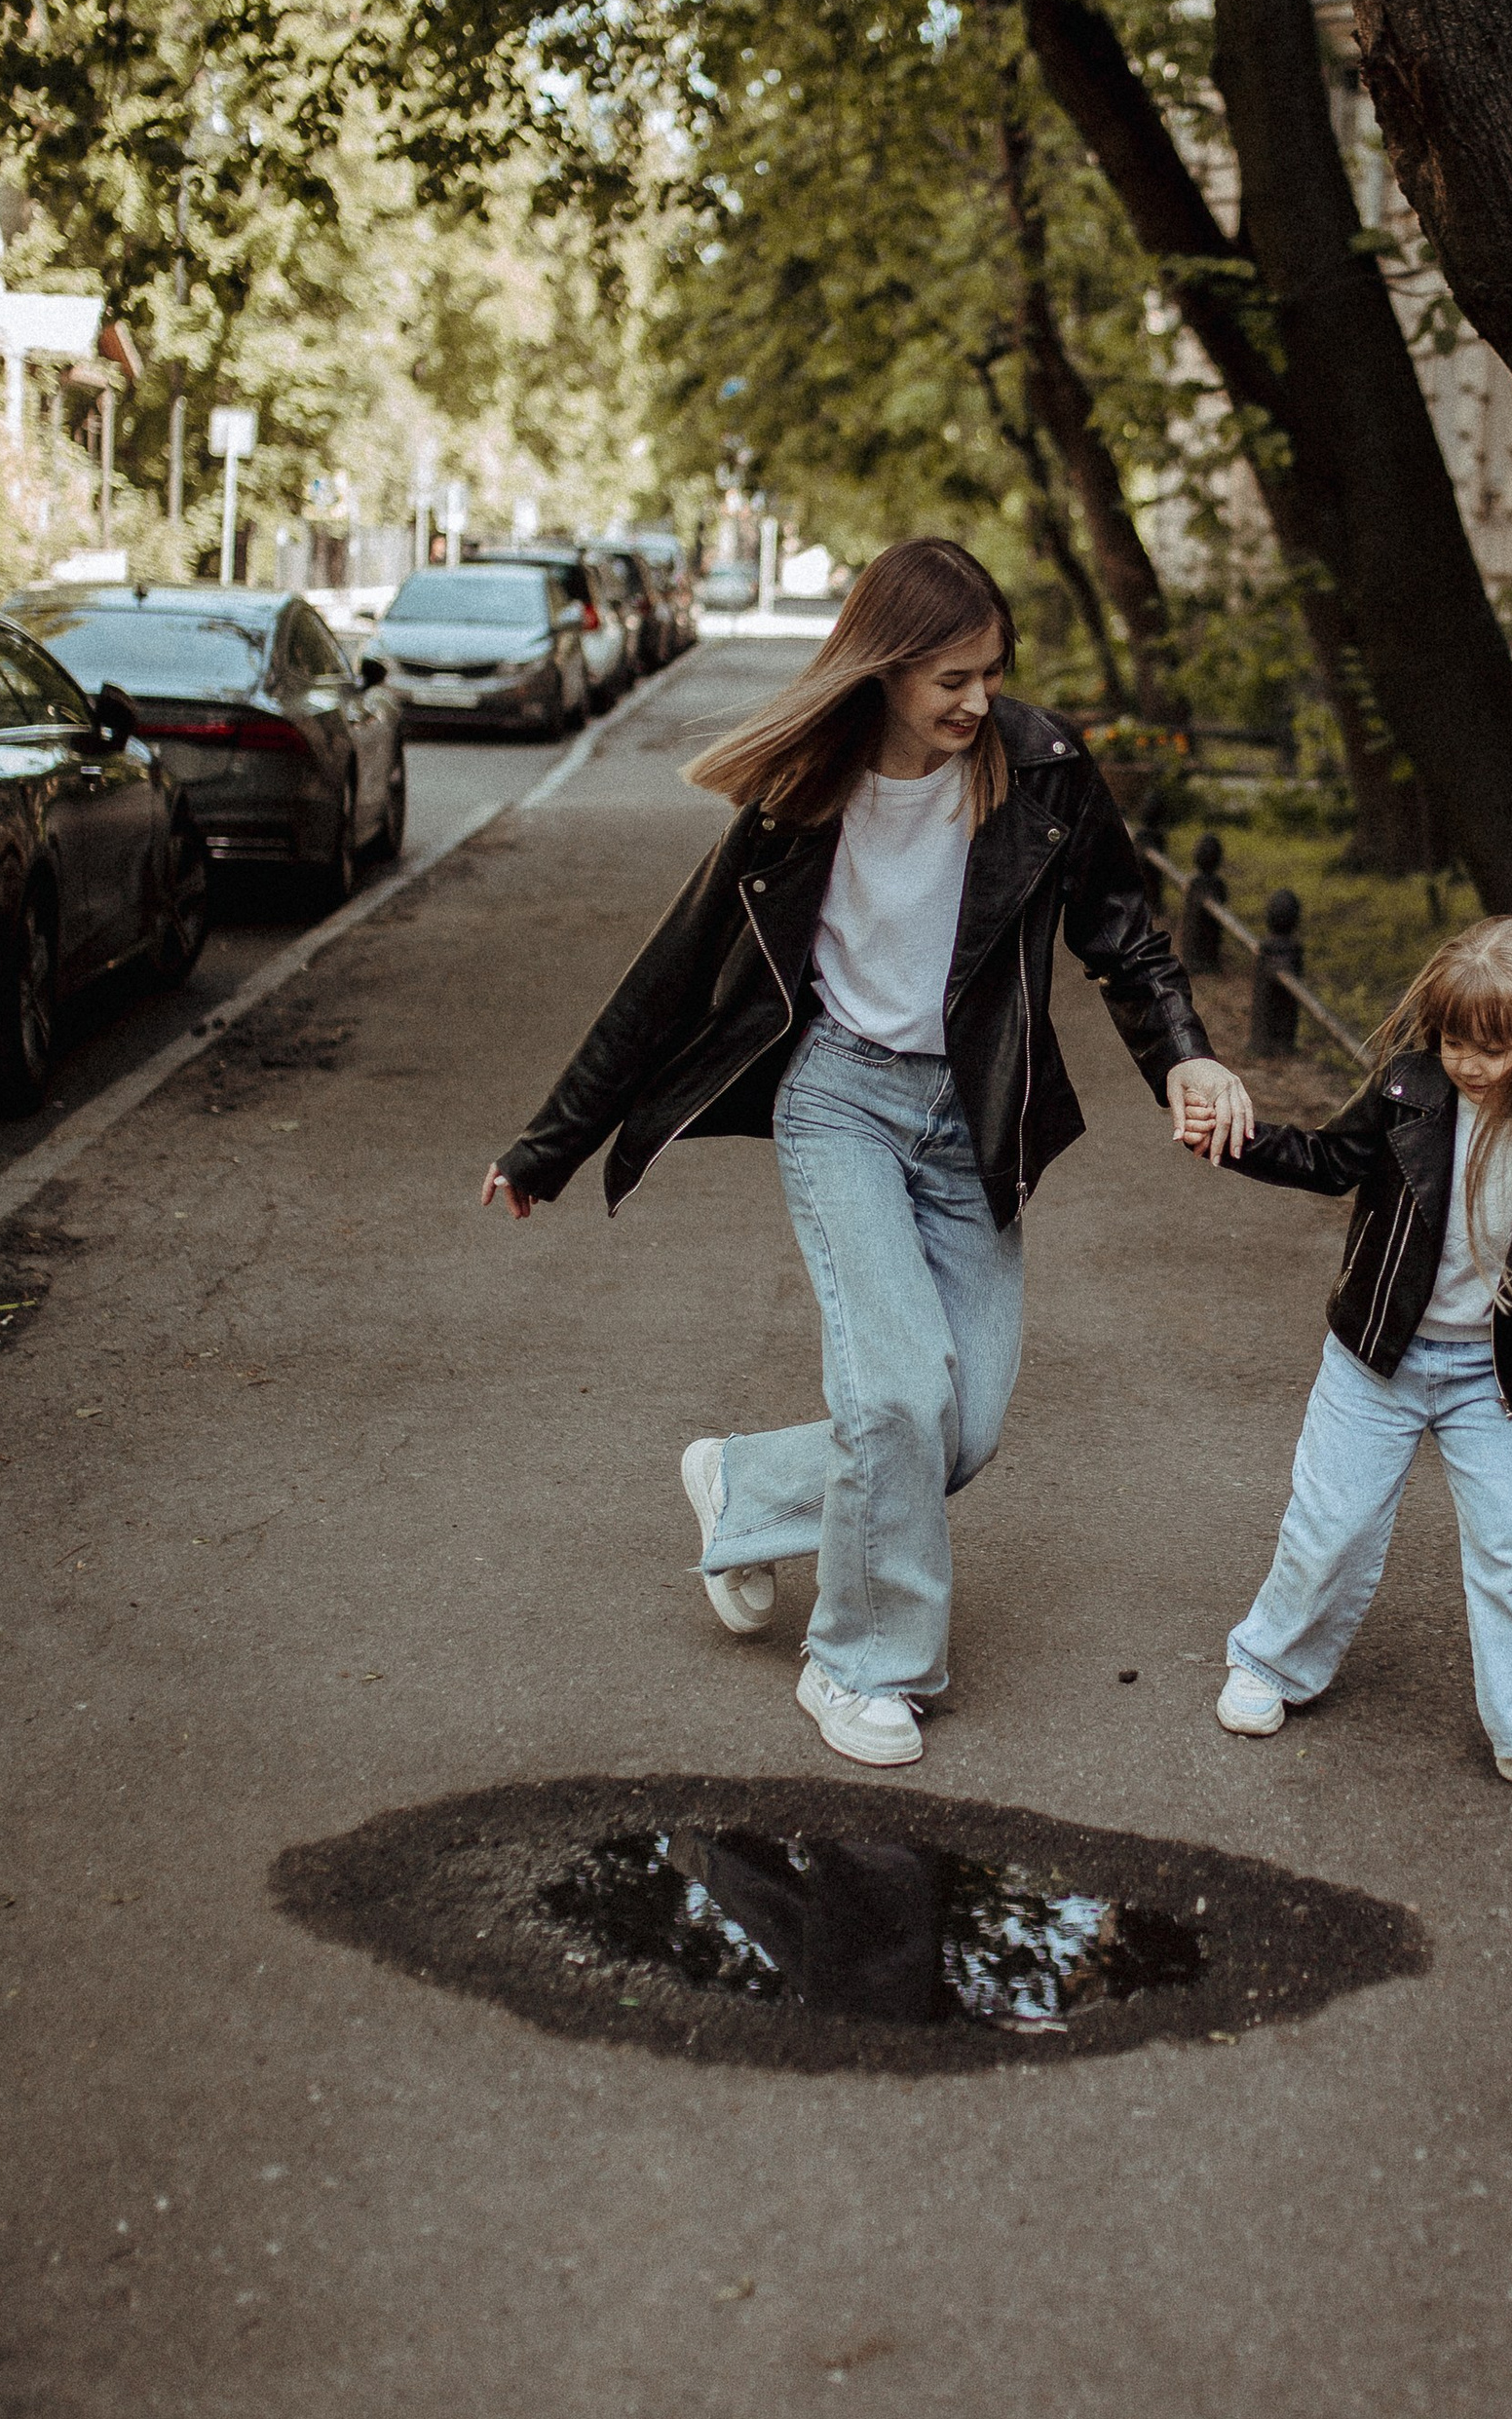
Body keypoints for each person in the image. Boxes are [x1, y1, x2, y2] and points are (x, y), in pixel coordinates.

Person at [482, 538, 1253, 1766]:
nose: (976, 701)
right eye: (951, 676)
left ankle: (743, 1488)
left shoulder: (1040, 768)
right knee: (896, 1392)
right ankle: (858, 1665)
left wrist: (1186, 1058)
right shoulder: (800, 795)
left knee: (961, 1429)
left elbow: (1125, 934)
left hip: (974, 1118)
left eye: (991, 672)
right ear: (885, 668)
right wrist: (550, 1144)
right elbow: (671, 975)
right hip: (839, 1100)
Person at [1206, 915, 1512, 1810]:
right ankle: (1270, 1661)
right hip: (1375, 1360)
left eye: (1494, 1046)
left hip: (1489, 1378)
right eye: (1455, 1039)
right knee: (1332, 1521)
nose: (1469, 1061)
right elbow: (1326, 1159)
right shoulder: (1406, 1091)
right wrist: (1235, 1139)